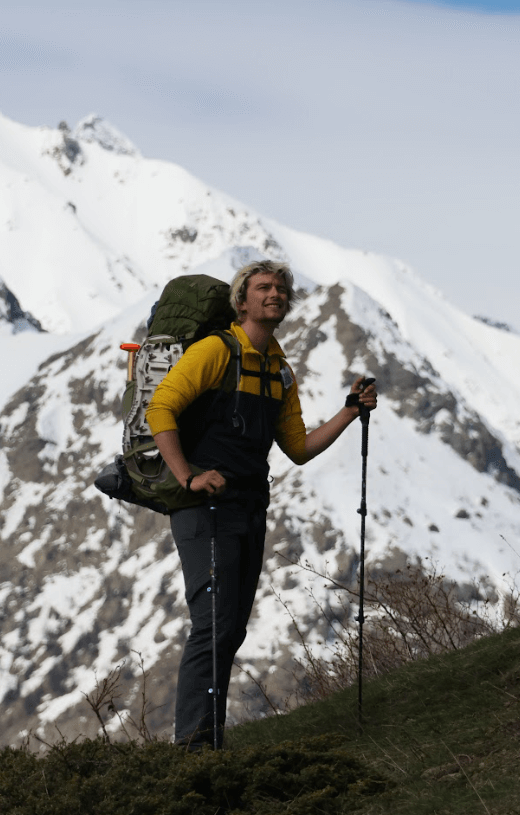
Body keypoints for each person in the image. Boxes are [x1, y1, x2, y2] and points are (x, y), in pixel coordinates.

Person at [145, 260, 378, 749]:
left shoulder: (279, 370)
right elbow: (160, 407)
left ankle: (208, 739)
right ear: (242, 301)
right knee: (213, 625)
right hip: (204, 508)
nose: (274, 294)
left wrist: (350, 411)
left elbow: (297, 446)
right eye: (263, 288)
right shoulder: (215, 351)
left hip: (249, 506)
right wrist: (187, 475)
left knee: (229, 630)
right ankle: (194, 746)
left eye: (280, 289)